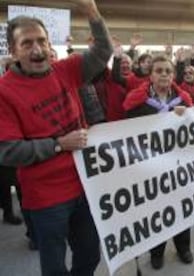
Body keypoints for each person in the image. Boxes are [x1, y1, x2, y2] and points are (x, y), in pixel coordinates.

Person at [0, 0, 113, 275]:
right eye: (27, 44)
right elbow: (8, 151)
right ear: (13, 51)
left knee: (89, 255)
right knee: (53, 264)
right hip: (46, 197)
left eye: (41, 41)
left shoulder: (66, 69)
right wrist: (59, 144)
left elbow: (103, 51)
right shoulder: (4, 92)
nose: (37, 50)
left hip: (85, 184)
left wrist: (92, 13)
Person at [123, 55, 194, 271]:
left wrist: (186, 116)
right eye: (159, 70)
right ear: (151, 75)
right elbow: (129, 133)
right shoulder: (136, 102)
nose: (164, 74)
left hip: (178, 165)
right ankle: (157, 251)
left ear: (173, 75)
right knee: (157, 210)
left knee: (182, 206)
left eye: (168, 71)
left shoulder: (183, 100)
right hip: (151, 167)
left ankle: (183, 247)